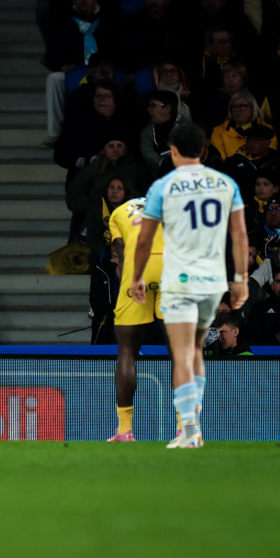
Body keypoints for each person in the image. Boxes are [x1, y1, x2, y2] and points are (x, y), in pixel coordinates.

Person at [130, 125, 248, 449]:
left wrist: (137, 277)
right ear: (204, 149)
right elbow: (239, 235)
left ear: (173, 150)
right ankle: (194, 426)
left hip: (180, 280)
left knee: (182, 353)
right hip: (212, 281)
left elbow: (143, 240)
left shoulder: (163, 186)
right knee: (196, 350)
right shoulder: (226, 183)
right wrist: (241, 279)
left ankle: (190, 429)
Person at [105, 195, 165, 442]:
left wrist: (127, 284)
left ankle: (124, 430)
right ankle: (187, 429)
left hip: (138, 264)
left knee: (127, 351)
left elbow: (119, 251)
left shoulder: (119, 212)